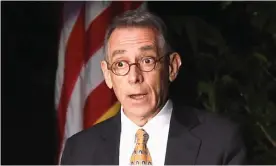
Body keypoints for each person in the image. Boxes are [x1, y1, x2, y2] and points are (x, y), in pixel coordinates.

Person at [60, 9, 247, 165]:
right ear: (108, 75)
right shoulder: (79, 151)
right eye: (120, 64)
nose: (134, 77)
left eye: (147, 60)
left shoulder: (220, 141)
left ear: (172, 67)